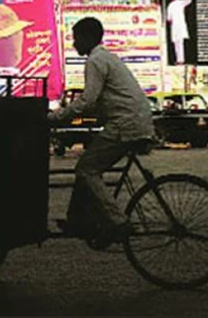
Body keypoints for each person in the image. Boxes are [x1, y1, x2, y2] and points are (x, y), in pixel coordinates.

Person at [47, 17, 153, 248]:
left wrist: (54, 118)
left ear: (87, 38)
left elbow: (87, 101)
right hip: (134, 121)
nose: (74, 44)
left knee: (86, 169)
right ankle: (77, 220)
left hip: (126, 124)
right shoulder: (107, 57)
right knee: (88, 166)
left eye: (76, 39)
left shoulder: (95, 61)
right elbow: (98, 104)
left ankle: (116, 220)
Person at [166, 0, 195, 65]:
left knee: (180, 43)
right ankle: (178, 60)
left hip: (180, 25)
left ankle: (181, 60)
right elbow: (169, 18)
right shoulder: (170, 5)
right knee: (176, 43)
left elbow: (187, 1)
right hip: (174, 26)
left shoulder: (180, 2)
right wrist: (170, 21)